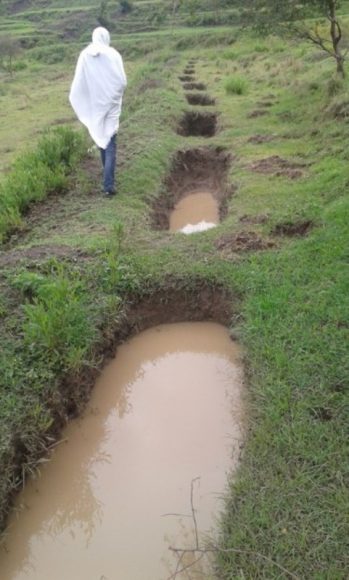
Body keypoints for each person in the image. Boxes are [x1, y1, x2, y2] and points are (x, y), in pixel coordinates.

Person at [69, 27, 127, 197]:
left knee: (102, 139)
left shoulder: (85, 55)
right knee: (110, 142)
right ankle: (108, 184)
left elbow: (79, 84)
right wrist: (113, 96)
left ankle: (107, 178)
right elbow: (122, 82)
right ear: (106, 37)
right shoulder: (113, 54)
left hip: (95, 106)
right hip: (111, 105)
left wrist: (91, 99)